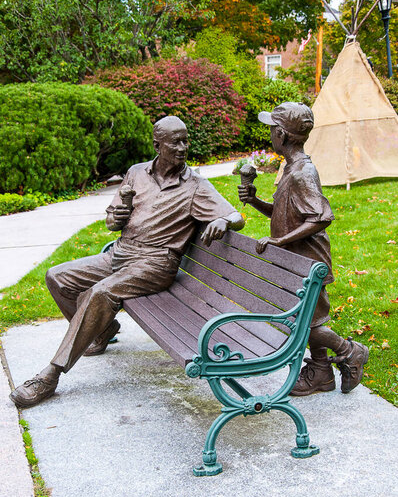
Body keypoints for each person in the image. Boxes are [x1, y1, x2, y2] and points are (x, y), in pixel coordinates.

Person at [11, 116, 244, 408]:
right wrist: (115, 218)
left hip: (156, 263)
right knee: (57, 276)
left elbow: (237, 216)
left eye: (186, 140)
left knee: (101, 292)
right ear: (158, 145)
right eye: (176, 141)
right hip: (120, 254)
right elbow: (111, 218)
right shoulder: (136, 173)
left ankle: (51, 374)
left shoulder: (195, 185)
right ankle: (103, 330)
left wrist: (224, 220)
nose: (183, 147)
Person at [238, 102, 369, 396]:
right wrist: (255, 200)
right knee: (309, 318)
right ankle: (321, 373)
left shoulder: (302, 173)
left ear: (282, 135)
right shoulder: (291, 169)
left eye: (272, 129)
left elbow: (322, 217)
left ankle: (351, 351)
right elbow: (286, 213)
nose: (270, 133)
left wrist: (279, 241)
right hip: (297, 261)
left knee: (307, 323)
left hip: (309, 261)